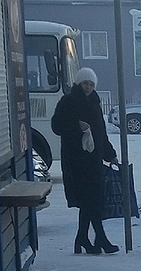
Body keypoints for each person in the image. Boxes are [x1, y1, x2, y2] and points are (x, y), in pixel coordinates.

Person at [51, 67, 119, 254]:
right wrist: (75, 125)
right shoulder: (68, 101)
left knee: (91, 201)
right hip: (76, 161)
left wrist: (110, 154)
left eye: (91, 84)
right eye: (85, 83)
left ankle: (83, 238)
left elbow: (100, 134)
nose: (88, 87)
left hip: (93, 160)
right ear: (78, 83)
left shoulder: (95, 103)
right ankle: (99, 238)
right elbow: (56, 125)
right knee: (91, 201)